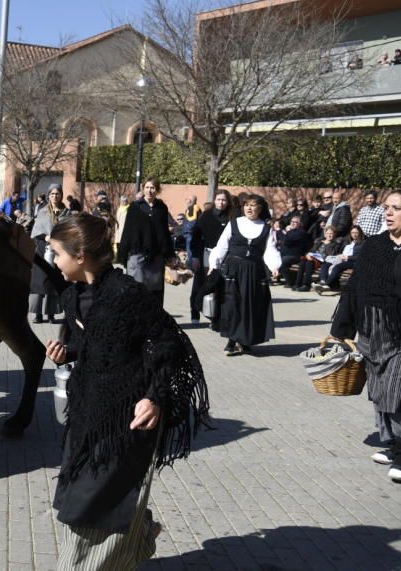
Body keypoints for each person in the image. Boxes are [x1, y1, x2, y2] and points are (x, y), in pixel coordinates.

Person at [45, 213, 209, 570]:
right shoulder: (73, 297)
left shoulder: (127, 295)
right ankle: (140, 533)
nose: (53, 261)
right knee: (81, 501)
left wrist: (156, 397)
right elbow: (91, 345)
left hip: (127, 421)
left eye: (57, 253)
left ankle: (127, 540)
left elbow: (170, 346)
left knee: (96, 505)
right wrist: (66, 352)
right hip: (88, 418)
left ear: (81, 255)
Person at [332, 190, 401, 483]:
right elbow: (356, 286)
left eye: (396, 208)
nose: (389, 213)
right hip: (373, 328)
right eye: (387, 208)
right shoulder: (374, 246)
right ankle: (396, 443)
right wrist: (341, 329)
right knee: (381, 389)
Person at [208, 194, 281, 355]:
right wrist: (214, 264)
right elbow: (221, 246)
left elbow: (270, 250)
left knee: (251, 307)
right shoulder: (234, 224)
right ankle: (232, 340)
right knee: (233, 305)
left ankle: (246, 340)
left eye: (253, 205)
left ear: (260, 209)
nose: (249, 208)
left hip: (255, 271)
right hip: (234, 270)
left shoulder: (266, 228)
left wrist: (275, 266)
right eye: (246, 205)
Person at [116, 178, 175, 306]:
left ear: (157, 190)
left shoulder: (162, 208)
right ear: (143, 189)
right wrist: (123, 253)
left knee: (155, 291)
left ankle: (154, 320)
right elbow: (128, 231)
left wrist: (170, 254)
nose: (150, 191)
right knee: (136, 290)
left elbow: (164, 232)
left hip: (156, 256)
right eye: (147, 187)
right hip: (137, 254)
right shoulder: (135, 207)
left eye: (153, 188)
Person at [188, 190, 232, 323]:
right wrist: (195, 256)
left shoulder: (231, 217)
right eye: (218, 199)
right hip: (206, 254)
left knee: (218, 286)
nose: (221, 203)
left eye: (224, 200)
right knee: (200, 284)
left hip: (224, 257)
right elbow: (195, 237)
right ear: (214, 201)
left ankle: (214, 317)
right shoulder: (206, 216)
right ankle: (195, 312)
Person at [30, 184, 70, 323]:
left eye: (57, 194)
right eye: (52, 194)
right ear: (48, 195)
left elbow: (70, 231)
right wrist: (46, 237)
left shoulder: (66, 213)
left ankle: (51, 313)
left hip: (59, 250)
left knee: (54, 282)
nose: (55, 196)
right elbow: (36, 231)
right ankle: (38, 314)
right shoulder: (43, 211)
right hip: (43, 249)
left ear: (61, 195)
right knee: (41, 282)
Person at [320, 224, 364, 291]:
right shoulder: (348, 241)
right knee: (325, 264)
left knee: (337, 266)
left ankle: (326, 284)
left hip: (352, 262)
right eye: (352, 232)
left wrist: (348, 257)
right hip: (342, 259)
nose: (354, 234)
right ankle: (323, 281)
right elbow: (341, 251)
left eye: (356, 232)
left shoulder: (363, 243)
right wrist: (339, 255)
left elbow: (361, 256)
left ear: (360, 233)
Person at [279, 215, 313, 288]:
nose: (292, 223)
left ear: (300, 224)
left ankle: (290, 282)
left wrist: (286, 232)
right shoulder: (291, 231)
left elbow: (286, 241)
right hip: (286, 254)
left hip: (296, 256)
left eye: (295, 222)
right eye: (291, 221)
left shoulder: (301, 232)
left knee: (282, 261)